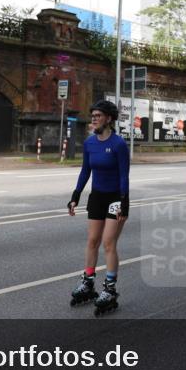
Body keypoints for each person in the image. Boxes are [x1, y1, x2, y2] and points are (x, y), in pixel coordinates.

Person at [67, 100, 130, 315]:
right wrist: (75, 196)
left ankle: (110, 289)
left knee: (108, 243)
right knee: (92, 240)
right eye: (92, 115)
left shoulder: (119, 144)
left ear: (109, 119)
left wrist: (124, 202)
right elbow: (85, 171)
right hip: (96, 197)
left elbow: (124, 176)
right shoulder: (89, 143)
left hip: (115, 199)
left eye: (98, 115)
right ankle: (88, 281)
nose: (94, 119)